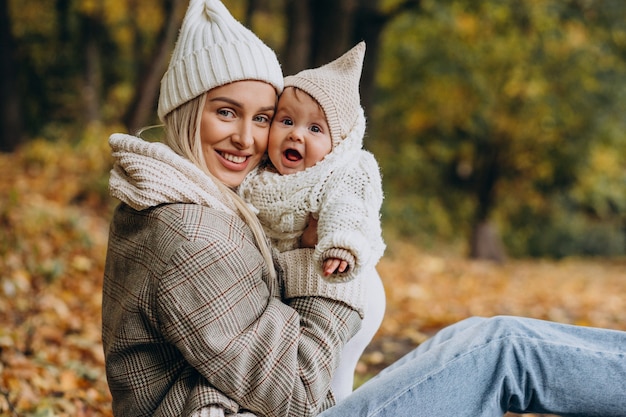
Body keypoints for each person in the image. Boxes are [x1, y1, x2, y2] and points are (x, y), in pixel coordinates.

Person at [102, 1, 626, 416]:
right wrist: (318, 268)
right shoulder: (189, 230)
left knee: (492, 346)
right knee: (502, 349)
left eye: (264, 117)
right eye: (225, 112)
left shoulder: (200, 202)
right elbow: (299, 394)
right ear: (186, 111)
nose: (246, 137)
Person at [238, 41, 386, 401]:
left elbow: (349, 208)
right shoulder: (259, 175)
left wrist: (340, 243)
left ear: (339, 143)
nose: (296, 134)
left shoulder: (344, 170)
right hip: (295, 284)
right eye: (286, 121)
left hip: (343, 282)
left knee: (332, 378)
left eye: (315, 129)